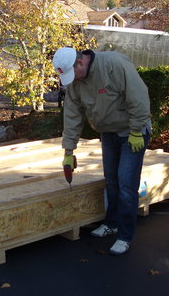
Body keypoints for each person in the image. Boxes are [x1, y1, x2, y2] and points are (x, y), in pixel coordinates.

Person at [52, 47, 151, 255]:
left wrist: (136, 130)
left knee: (126, 184)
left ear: (80, 63)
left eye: (73, 74)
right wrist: (68, 152)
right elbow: (72, 115)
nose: (73, 80)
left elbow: (138, 96)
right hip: (108, 133)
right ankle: (112, 223)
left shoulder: (113, 65)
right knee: (112, 181)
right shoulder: (75, 83)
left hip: (132, 133)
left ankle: (124, 235)